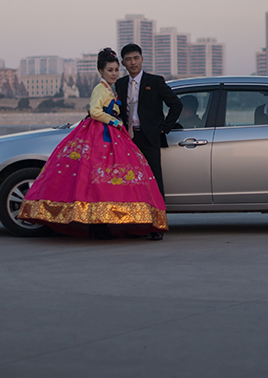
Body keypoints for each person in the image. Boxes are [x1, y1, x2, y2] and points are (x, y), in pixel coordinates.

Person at [17, 48, 168, 240]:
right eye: (109, 70)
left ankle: (106, 222)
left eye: (115, 70)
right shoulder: (100, 89)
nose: (114, 73)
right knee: (99, 180)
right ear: (101, 72)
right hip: (101, 136)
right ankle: (99, 224)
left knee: (106, 181)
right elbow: (95, 111)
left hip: (111, 135)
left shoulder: (109, 88)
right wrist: (115, 122)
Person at [117, 44, 183, 201]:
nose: (133, 63)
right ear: (123, 63)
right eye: (128, 59)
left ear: (142, 59)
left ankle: (159, 219)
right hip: (128, 139)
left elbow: (176, 105)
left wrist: (163, 129)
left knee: (153, 179)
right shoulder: (120, 84)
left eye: (136, 58)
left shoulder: (155, 82)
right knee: (130, 179)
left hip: (150, 138)